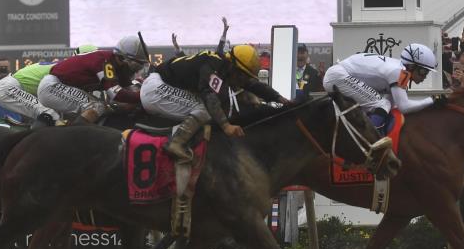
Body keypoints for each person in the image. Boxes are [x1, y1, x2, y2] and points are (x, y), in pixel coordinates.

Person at [144, 43, 290, 163]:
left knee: (207, 109)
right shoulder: (212, 65)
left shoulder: (226, 67)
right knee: (205, 108)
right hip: (155, 88)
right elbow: (208, 94)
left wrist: (279, 98)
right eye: (242, 76)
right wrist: (226, 126)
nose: (243, 82)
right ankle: (175, 143)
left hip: (164, 85)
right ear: (234, 67)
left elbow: (251, 85)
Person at [323, 43, 439, 136]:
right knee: (382, 104)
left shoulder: (400, 71)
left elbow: (394, 105)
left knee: (385, 105)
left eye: (427, 72)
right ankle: (370, 139)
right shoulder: (399, 72)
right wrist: (433, 100)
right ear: (411, 66)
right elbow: (405, 107)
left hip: (338, 75)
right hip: (338, 76)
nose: (425, 76)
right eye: (423, 71)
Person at [37, 36, 145, 125]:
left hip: (58, 86)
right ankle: (76, 140)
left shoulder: (117, 64)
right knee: (96, 106)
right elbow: (116, 95)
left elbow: (129, 93)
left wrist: (140, 94)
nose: (136, 70)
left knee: (101, 106)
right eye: (136, 65)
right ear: (122, 58)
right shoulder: (107, 62)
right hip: (53, 86)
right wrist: (144, 96)